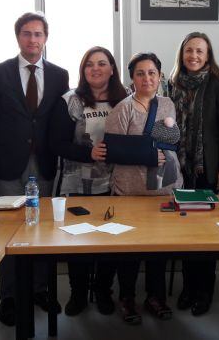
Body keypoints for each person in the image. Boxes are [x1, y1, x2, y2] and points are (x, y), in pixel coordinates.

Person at [0, 11, 69, 326]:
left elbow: (59, 118)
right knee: (10, 229)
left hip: (44, 161)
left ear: (46, 38)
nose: (33, 40)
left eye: (38, 34)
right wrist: (9, 141)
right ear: (18, 37)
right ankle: (10, 295)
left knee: (41, 228)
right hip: (9, 163)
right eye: (27, 34)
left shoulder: (60, 75)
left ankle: (40, 289)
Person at [104, 52, 183, 324]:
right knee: (129, 251)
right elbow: (113, 151)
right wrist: (148, 154)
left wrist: (162, 146)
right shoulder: (122, 108)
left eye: (152, 72)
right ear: (132, 78)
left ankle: (155, 296)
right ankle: (127, 298)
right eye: (140, 73)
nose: (147, 78)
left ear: (160, 76)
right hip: (130, 192)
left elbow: (171, 141)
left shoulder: (168, 104)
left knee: (158, 250)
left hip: (163, 190)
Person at [49, 46, 127, 316]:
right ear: (83, 70)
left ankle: (104, 291)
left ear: (112, 68)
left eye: (102, 63)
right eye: (89, 64)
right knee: (77, 242)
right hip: (77, 184)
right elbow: (56, 143)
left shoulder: (126, 98)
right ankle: (79, 293)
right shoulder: (70, 100)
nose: (96, 68)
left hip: (116, 184)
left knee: (110, 242)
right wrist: (88, 153)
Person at [168, 32, 219, 316]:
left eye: (200, 51)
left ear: (208, 56)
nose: (194, 56)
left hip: (207, 168)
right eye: (189, 50)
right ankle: (188, 287)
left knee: (206, 234)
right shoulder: (171, 84)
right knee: (184, 232)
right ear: (182, 53)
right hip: (180, 169)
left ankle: (205, 290)